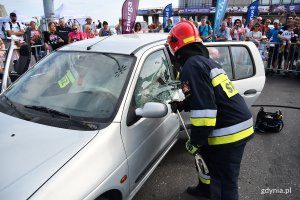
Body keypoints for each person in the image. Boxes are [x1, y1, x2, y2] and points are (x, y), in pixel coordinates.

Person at [167, 20, 254, 200]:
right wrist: (185, 104)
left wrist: (196, 142)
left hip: (229, 131)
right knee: (210, 164)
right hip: (237, 123)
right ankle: (205, 190)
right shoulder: (206, 62)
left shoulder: (191, 66)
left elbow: (205, 113)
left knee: (224, 182)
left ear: (176, 47)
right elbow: (209, 96)